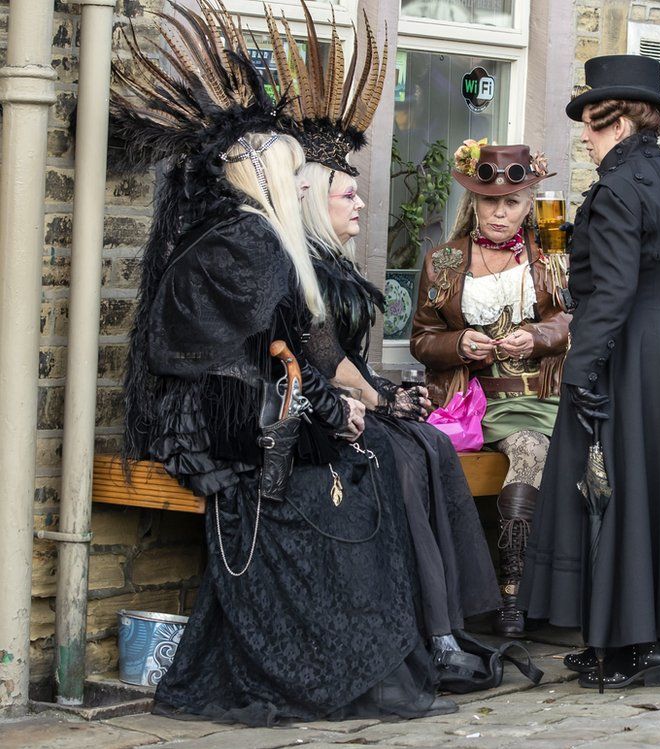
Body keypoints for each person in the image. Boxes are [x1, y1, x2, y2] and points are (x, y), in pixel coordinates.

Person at [114, 6, 452, 723]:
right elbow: (261, 365)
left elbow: (306, 346)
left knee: (374, 460)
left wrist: (371, 400)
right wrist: (336, 415)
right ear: (261, 176)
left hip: (240, 413)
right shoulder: (246, 241)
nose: (306, 186)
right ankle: (335, 667)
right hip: (219, 430)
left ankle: (387, 652)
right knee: (351, 480)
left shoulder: (252, 237)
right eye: (294, 173)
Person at [266, 7, 501, 667]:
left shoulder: (334, 264)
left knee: (429, 445)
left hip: (342, 399)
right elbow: (322, 355)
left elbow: (343, 359)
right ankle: (429, 631)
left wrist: (389, 395)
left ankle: (450, 621)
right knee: (397, 458)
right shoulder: (299, 267)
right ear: (316, 200)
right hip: (312, 414)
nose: (364, 205)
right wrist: (377, 395)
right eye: (349, 197)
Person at [518, 54, 660, 689]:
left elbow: (615, 292)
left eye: (591, 129)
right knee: (658, 491)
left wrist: (579, 372)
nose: (586, 143)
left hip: (630, 353)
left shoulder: (619, 189)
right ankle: (629, 638)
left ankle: (633, 645)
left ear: (618, 123)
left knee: (616, 492)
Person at [410, 143, 571, 638]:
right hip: (476, 404)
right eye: (489, 202)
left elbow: (575, 319)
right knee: (531, 450)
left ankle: (550, 596)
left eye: (513, 202)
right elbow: (419, 339)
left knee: (589, 460)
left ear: (528, 206)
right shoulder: (445, 263)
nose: (500, 212)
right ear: (474, 205)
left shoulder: (551, 255)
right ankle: (511, 595)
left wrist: (540, 335)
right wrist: (459, 342)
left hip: (545, 397)